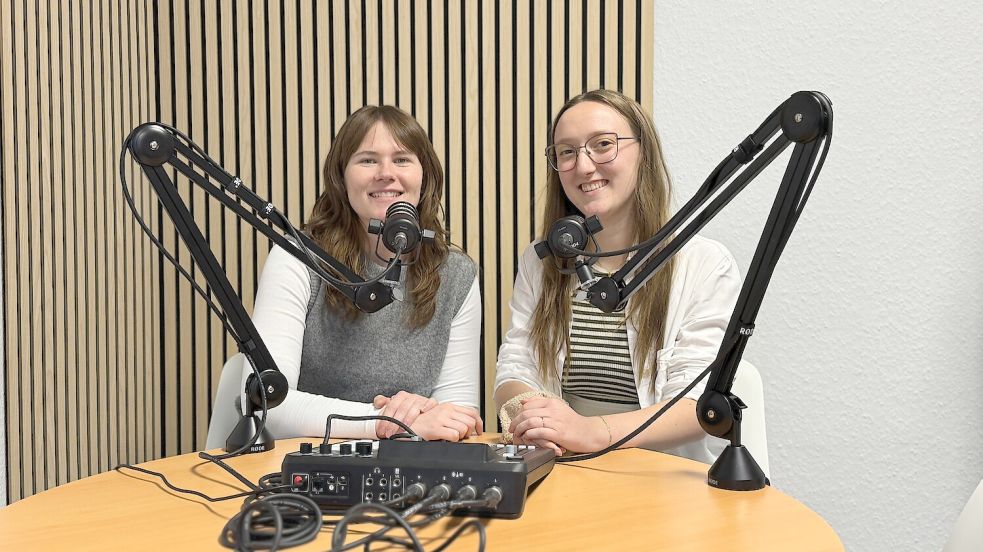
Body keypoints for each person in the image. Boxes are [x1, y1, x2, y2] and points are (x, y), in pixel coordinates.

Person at [494, 89, 741, 462]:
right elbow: (516, 365)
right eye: (567, 151)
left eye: (603, 144)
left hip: (664, 480)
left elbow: (697, 403)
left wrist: (590, 432)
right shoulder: (539, 260)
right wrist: (533, 418)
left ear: (644, 152)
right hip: (565, 469)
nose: (584, 165)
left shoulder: (704, 264)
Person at [247, 105, 483, 442]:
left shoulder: (456, 275)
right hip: (305, 474)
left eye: (402, 159)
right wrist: (387, 422)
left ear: (424, 177)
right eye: (368, 160)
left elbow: (458, 417)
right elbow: (268, 403)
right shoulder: (297, 258)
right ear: (341, 178)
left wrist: (420, 417)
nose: (386, 173)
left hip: (412, 474)